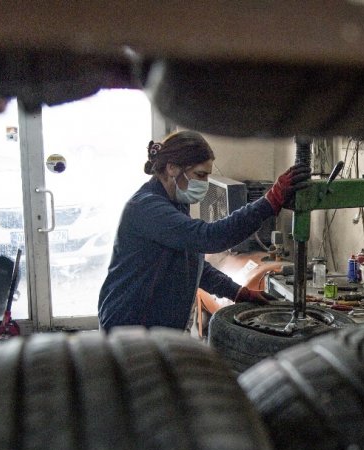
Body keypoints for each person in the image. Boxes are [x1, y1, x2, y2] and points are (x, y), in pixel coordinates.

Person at [98, 130, 310, 332]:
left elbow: (191, 262)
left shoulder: (175, 202)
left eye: (207, 176)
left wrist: (236, 291)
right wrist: (268, 203)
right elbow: (209, 237)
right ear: (172, 168)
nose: (204, 184)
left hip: (156, 327)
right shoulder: (147, 208)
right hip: (130, 328)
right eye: (199, 175)